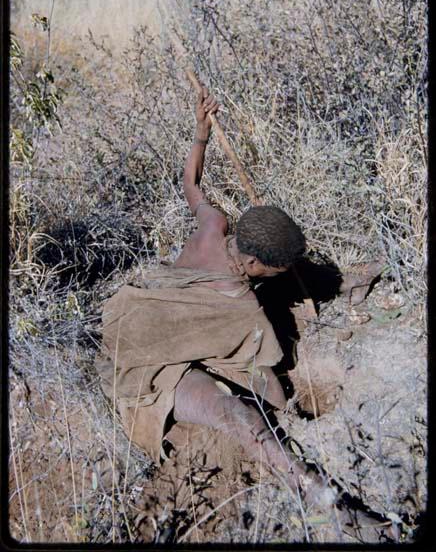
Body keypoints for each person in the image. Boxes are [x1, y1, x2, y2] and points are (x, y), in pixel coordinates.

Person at [96, 86, 393, 541]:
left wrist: (201, 132)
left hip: (127, 319)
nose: (283, 272)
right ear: (255, 266)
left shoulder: (214, 224)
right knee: (237, 415)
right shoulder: (241, 308)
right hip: (143, 371)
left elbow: (190, 184)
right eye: (280, 268)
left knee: (232, 403)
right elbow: (265, 379)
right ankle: (323, 500)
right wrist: (287, 410)